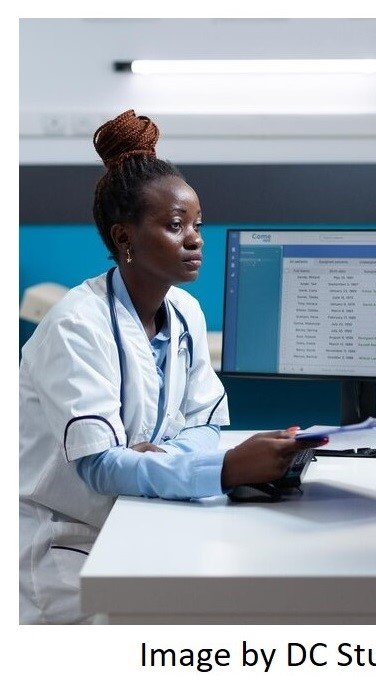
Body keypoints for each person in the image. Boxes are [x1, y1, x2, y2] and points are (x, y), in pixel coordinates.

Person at [19, 110, 327, 624]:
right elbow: (99, 467)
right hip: (66, 547)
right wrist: (224, 468)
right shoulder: (77, 326)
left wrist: (163, 456)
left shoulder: (184, 312)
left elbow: (206, 423)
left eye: (197, 225)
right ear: (124, 239)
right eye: (175, 225)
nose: (195, 239)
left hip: (139, 521)